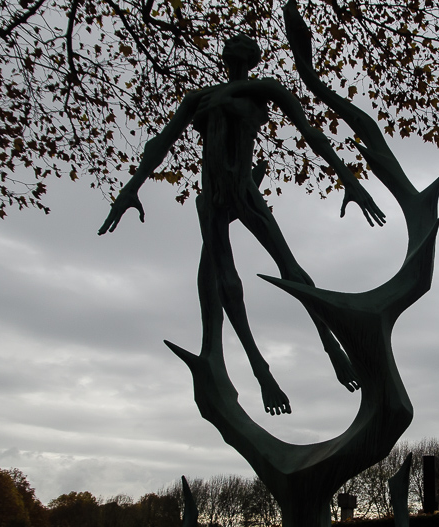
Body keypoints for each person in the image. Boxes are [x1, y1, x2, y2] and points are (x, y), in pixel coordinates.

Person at [100, 34, 386, 416]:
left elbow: (310, 133)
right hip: (213, 195)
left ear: (252, 56)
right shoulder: (197, 98)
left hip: (244, 190)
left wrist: (349, 180)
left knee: (290, 269)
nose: (232, 43)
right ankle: (261, 372)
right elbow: (161, 145)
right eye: (230, 40)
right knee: (227, 283)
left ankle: (333, 348)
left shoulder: (265, 89)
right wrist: (130, 189)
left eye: (241, 42)